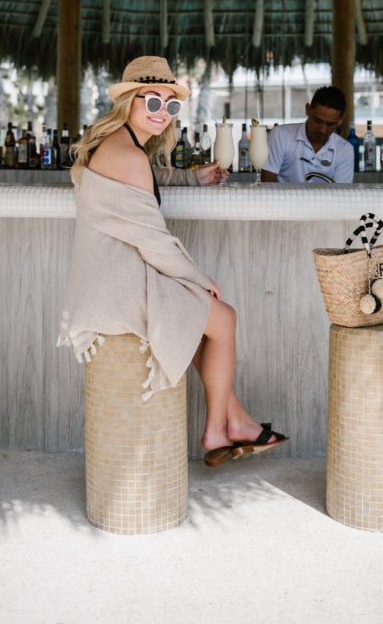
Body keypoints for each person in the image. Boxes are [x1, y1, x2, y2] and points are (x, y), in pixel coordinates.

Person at [57, 56, 287, 467]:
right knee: (224, 316)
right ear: (129, 100)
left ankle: (237, 420)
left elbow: (146, 180)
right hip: (117, 285)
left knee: (199, 321)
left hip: (111, 276)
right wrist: (199, 278)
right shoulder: (126, 153)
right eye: (153, 101)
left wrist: (193, 177)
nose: (163, 112)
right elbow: (155, 242)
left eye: (171, 105)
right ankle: (218, 428)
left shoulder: (122, 147)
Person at [261, 85, 354, 183]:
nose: (322, 129)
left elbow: (342, 194)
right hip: (283, 199)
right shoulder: (280, 136)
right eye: (317, 121)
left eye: (330, 124)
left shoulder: (344, 149)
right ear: (308, 109)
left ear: (340, 120)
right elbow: (267, 184)